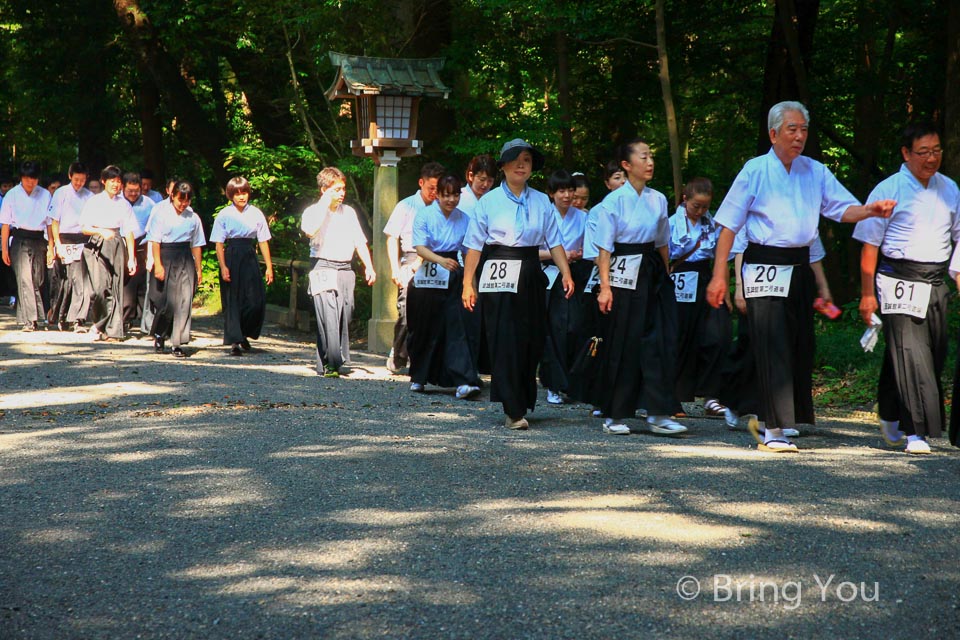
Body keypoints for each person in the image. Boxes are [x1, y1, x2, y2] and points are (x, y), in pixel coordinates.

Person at [706, 100, 896, 452]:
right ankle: (772, 428)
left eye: (804, 129)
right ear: (773, 133)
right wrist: (721, 278)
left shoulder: (815, 171)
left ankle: (779, 418)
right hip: (763, 263)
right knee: (770, 341)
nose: (799, 136)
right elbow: (728, 227)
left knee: (796, 343)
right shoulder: (755, 170)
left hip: (799, 264)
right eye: (792, 129)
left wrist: (870, 209)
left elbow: (842, 208)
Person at [855, 122, 959, 455]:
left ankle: (889, 410)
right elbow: (869, 245)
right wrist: (868, 293)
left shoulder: (950, 189)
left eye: (937, 150)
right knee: (913, 353)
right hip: (897, 279)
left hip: (935, 280)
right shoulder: (888, 190)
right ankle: (916, 432)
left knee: (933, 353)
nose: (932, 158)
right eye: (924, 152)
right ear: (906, 153)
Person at [462, 138, 574, 430]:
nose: (522, 164)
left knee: (531, 337)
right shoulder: (488, 202)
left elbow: (556, 240)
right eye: (516, 159)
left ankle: (521, 399)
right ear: (503, 166)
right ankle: (512, 408)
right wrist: (467, 283)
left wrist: (566, 273)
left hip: (531, 270)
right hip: (498, 268)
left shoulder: (540, 201)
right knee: (504, 337)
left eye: (527, 159)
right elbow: (474, 245)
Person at [593, 138, 685, 436]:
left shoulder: (657, 199)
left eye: (651, 156)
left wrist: (666, 273)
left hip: (652, 271)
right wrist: (605, 288)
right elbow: (604, 249)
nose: (650, 162)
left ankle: (658, 412)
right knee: (623, 341)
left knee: (659, 339)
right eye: (643, 157)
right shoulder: (613, 202)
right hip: (622, 270)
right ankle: (614, 413)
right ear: (626, 165)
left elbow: (662, 242)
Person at [406, 173, 482, 398]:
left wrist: (471, 286)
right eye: (446, 195)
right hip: (429, 273)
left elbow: (470, 254)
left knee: (456, 326)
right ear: (437, 195)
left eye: (455, 195)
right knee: (423, 327)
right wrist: (440, 260)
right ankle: (419, 376)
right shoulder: (424, 215)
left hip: (453, 275)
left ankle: (463, 379)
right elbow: (419, 247)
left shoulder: (465, 219)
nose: (451, 200)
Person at [300, 167, 376, 377]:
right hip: (322, 266)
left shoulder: (349, 212)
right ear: (324, 190)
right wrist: (325, 206)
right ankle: (332, 362)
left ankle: (333, 357)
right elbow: (310, 230)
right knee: (328, 315)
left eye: (343, 189)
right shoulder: (312, 211)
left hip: (345, 268)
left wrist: (368, 266)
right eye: (336, 189)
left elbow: (360, 242)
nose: (342, 193)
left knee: (345, 312)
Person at [668, 178, 731, 418]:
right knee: (679, 338)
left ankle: (712, 395)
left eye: (705, 206)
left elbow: (721, 258)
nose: (701, 211)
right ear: (685, 200)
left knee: (719, 335)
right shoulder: (671, 223)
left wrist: (724, 287)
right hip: (680, 278)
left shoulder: (713, 224)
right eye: (696, 206)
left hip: (708, 278)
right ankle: (672, 396)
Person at [384, 161, 444, 373]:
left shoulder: (443, 207)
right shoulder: (406, 205)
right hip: (410, 258)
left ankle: (422, 358)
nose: (434, 193)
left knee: (432, 312)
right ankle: (399, 351)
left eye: (438, 189)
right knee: (406, 310)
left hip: (437, 259)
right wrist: (394, 268)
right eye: (431, 188)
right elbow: (392, 237)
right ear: (421, 183)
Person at [539, 169, 589, 405]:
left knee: (575, 328)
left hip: (575, 275)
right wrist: (558, 255)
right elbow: (532, 250)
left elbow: (590, 248)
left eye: (570, 190)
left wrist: (577, 255)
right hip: (547, 275)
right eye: (561, 191)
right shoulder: (543, 214)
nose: (567, 195)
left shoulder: (582, 217)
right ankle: (553, 384)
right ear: (551, 193)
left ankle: (573, 382)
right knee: (553, 330)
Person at [211, 176, 274, 356]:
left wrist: (269, 266)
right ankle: (235, 342)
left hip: (249, 255)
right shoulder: (224, 214)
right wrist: (223, 266)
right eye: (237, 193)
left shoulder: (256, 213)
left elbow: (263, 241)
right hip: (231, 255)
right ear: (230, 195)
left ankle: (244, 333)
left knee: (255, 300)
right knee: (233, 299)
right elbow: (218, 244)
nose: (241, 197)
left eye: (244, 192)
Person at [147, 181, 205, 357]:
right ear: (172, 196)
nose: (183, 204)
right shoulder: (161, 214)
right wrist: (158, 264)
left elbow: (196, 244)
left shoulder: (193, 217)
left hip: (185, 256)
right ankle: (159, 333)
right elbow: (155, 241)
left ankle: (177, 342)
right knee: (166, 303)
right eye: (181, 200)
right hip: (166, 255)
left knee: (184, 301)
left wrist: (199, 268)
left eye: (187, 201)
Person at [80, 166, 138, 340]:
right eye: (112, 181)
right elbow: (84, 228)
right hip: (97, 245)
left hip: (117, 243)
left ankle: (113, 331)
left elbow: (129, 232)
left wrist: (132, 258)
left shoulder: (124, 204)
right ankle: (99, 323)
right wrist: (101, 232)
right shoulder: (94, 201)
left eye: (118, 181)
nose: (116, 185)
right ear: (103, 181)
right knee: (99, 288)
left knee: (116, 287)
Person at [0, 161, 52, 331]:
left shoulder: (45, 194)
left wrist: (51, 246)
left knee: (38, 279)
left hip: (39, 239)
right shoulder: (12, 195)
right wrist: (5, 249)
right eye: (28, 178)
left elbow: (50, 223)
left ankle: (31, 317)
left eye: (34, 179)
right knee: (24, 279)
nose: (31, 182)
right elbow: (6, 225)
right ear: (22, 178)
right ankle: (32, 320)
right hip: (20, 238)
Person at [48, 162, 93, 332]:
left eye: (82, 180)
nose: (79, 183)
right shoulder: (61, 193)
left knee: (81, 280)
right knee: (66, 281)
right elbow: (54, 220)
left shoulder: (89, 196)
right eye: (76, 180)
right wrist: (57, 244)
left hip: (83, 239)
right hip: (65, 238)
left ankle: (78, 319)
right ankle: (61, 315)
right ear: (70, 176)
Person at [121, 172, 155, 328]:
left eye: (136, 191)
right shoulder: (118, 201)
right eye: (130, 191)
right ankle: (125, 317)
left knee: (143, 283)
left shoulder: (149, 203)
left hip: (142, 244)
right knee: (126, 283)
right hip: (122, 244)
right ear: (123, 188)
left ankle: (143, 320)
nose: (133, 194)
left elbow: (154, 227)